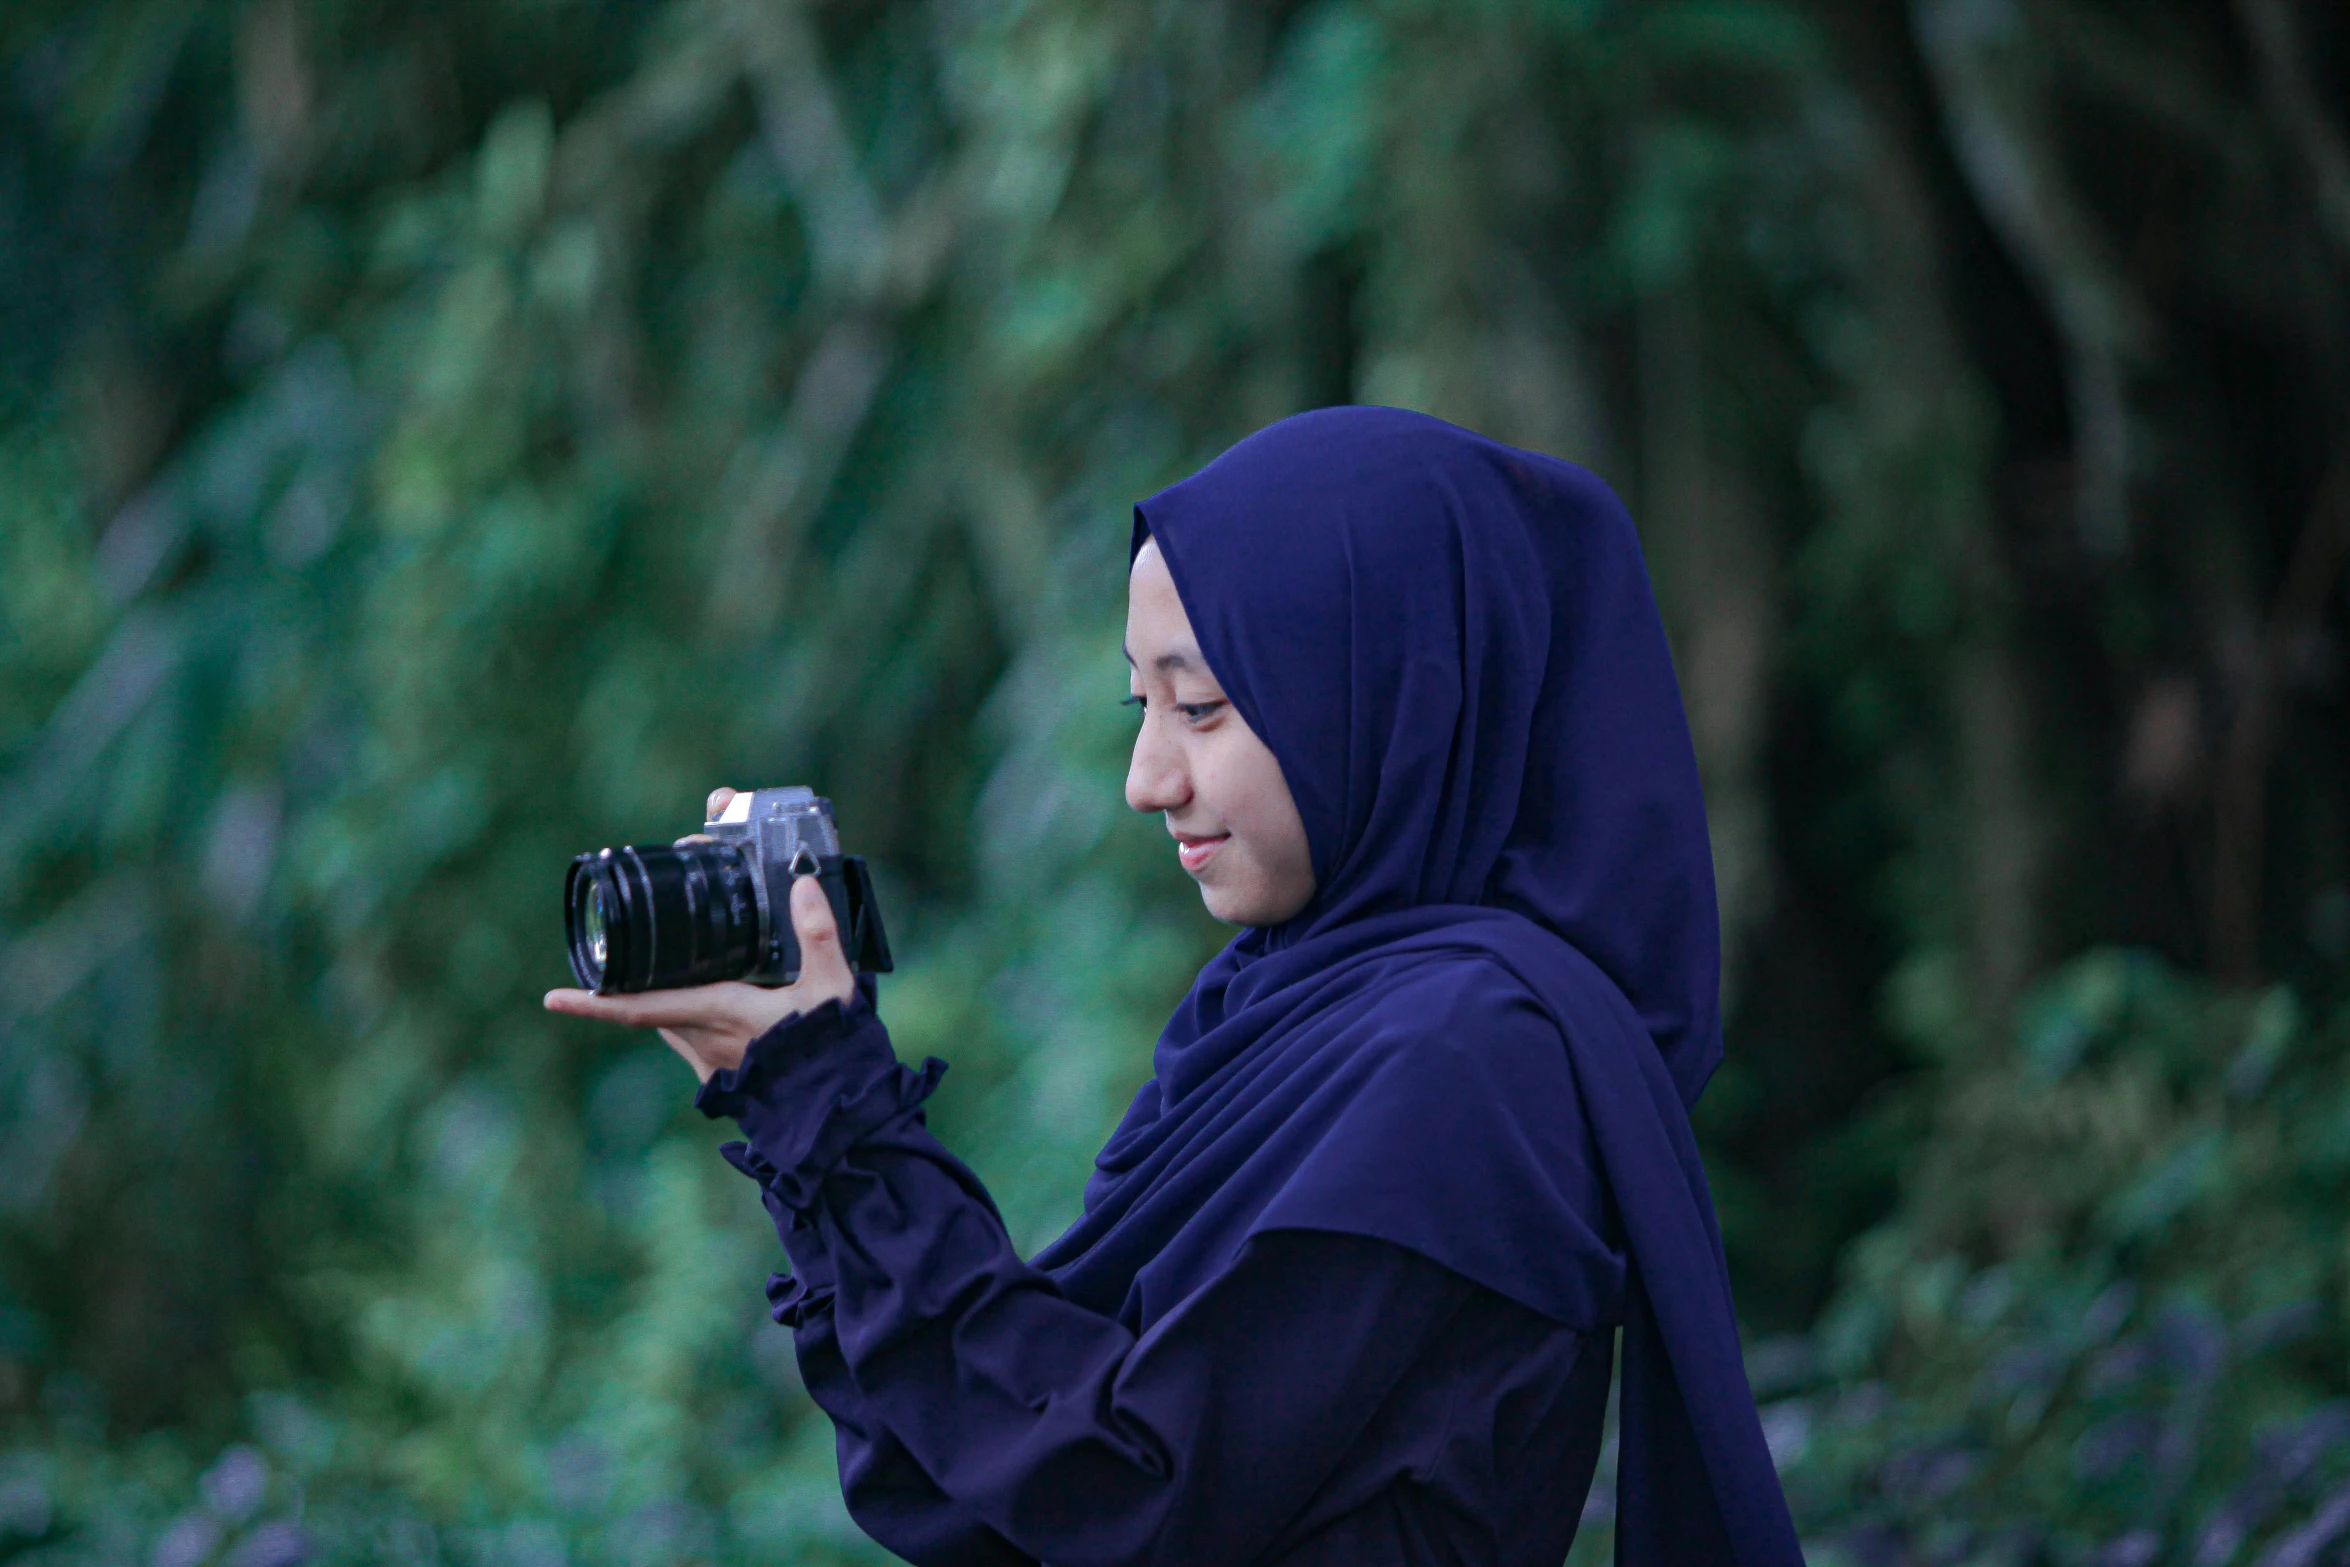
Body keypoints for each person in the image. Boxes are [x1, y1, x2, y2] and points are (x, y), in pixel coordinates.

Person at [545, 406, 1805, 1565]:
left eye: (1200, 707)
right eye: (1138, 702)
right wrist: (799, 1115)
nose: (1147, 776)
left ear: (1392, 703)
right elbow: (981, 1492)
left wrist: (844, 1122)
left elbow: (1127, 1500)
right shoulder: (1278, 1014)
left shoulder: (1469, 1058)